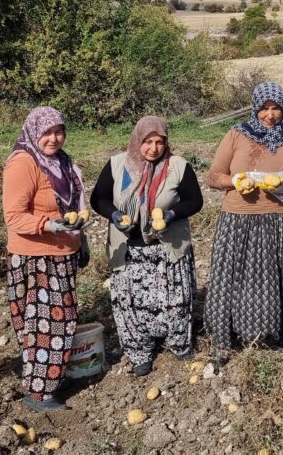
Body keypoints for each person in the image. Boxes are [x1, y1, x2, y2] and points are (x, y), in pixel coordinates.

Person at [205, 82, 283, 366]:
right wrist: (235, 181)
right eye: (264, 108)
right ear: (255, 108)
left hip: (282, 220)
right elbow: (214, 176)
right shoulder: (237, 135)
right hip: (237, 219)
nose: (270, 115)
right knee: (231, 279)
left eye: (276, 108)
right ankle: (225, 339)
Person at [90, 116, 203, 376]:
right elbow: (99, 198)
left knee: (176, 299)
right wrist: (115, 215)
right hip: (129, 249)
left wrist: (171, 215)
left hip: (166, 246)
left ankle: (179, 344)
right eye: (147, 142)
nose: (153, 148)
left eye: (159, 142)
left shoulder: (178, 166)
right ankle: (139, 351)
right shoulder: (118, 165)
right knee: (129, 303)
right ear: (136, 140)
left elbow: (195, 201)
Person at [2, 106, 89, 412]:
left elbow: (72, 208)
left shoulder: (62, 162)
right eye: (47, 133)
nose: (54, 139)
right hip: (35, 257)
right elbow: (13, 217)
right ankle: (39, 394)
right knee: (45, 325)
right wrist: (50, 225)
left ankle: (51, 379)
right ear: (33, 132)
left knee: (61, 321)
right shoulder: (23, 163)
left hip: (62, 252)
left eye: (59, 131)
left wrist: (81, 239)